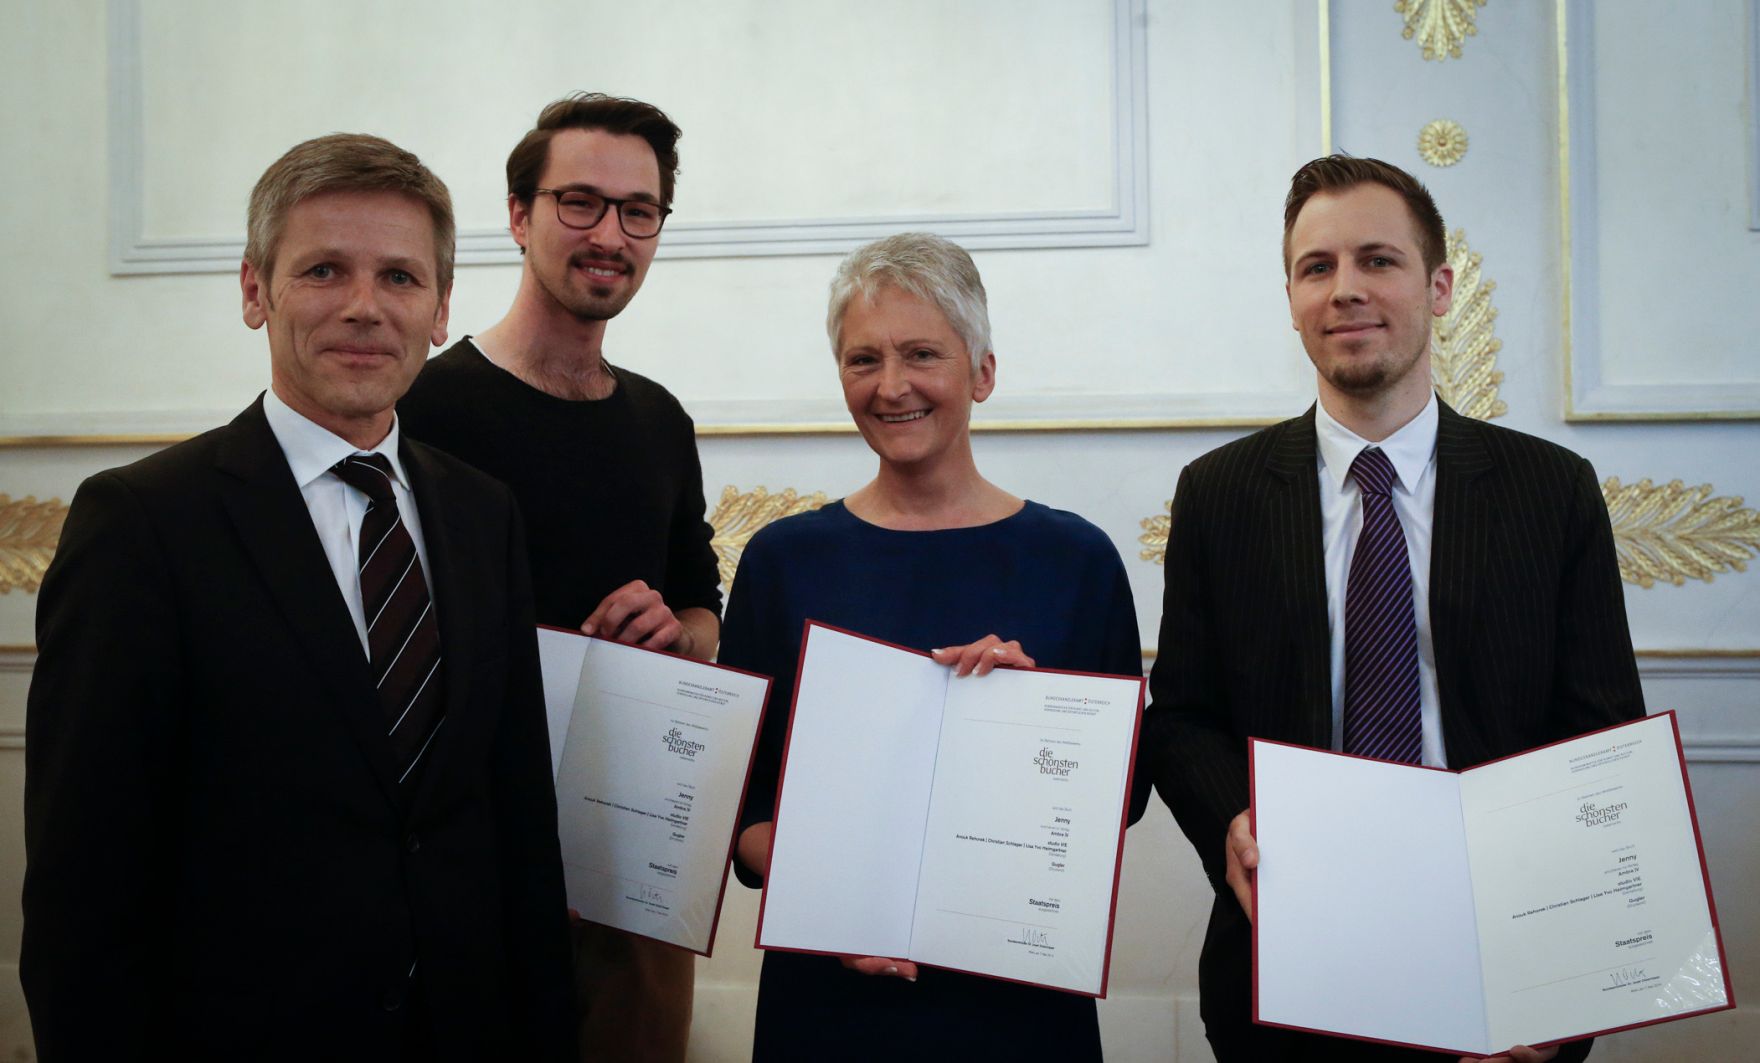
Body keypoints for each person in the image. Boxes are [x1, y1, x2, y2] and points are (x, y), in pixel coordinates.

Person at [21, 134, 574, 1060]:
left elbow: (519, 822)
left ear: (441, 309)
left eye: (400, 277)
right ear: (254, 291)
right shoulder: (141, 525)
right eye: (324, 270)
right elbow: (85, 886)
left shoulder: (484, 515)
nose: (365, 307)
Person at [1141, 155, 1645, 1063]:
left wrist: (1563, 973)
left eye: (1378, 260)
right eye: (1317, 267)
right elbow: (1180, 715)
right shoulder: (1219, 494)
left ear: (1438, 285)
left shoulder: (1550, 490)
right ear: (1292, 296)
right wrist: (1230, 819)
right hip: (1286, 968)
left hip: (1502, 958)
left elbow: (1600, 736)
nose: (1347, 291)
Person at [721, 232, 1146, 1062]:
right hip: (830, 1004)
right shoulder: (781, 560)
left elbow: (1120, 803)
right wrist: (834, 895)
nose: (891, 386)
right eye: (862, 359)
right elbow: (740, 814)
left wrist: (1035, 724)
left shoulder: (1078, 560)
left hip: (1016, 1010)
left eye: (922, 353)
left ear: (982, 371)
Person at [397, 93, 721, 1063]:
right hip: (467, 862)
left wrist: (680, 628)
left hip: (628, 872)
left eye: (638, 210)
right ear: (517, 214)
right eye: (578, 202)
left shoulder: (660, 420)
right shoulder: (423, 404)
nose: (610, 234)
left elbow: (704, 612)